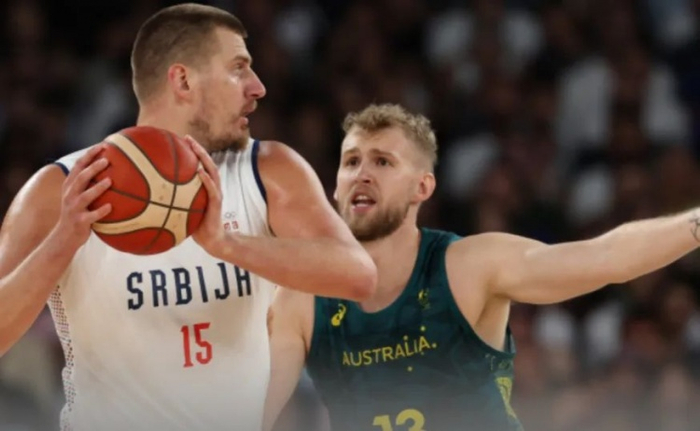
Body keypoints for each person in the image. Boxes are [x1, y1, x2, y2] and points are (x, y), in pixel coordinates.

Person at [0, 4, 377, 431]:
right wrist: (62, 241)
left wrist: (227, 244)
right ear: (182, 80)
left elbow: (359, 277)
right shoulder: (67, 186)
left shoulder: (269, 171)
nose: (258, 87)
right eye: (238, 69)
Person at [264, 103, 700, 431]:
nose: (362, 173)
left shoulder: (468, 267)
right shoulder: (301, 299)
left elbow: (606, 257)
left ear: (422, 187)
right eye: (351, 161)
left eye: (383, 161)